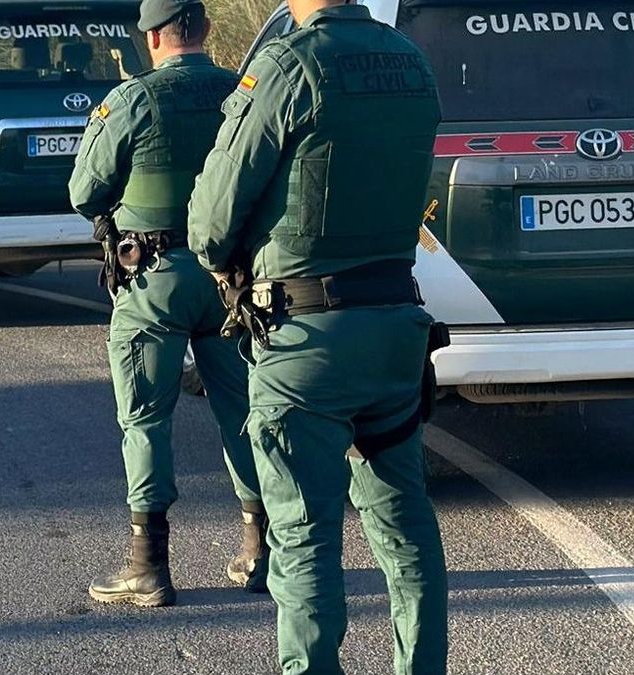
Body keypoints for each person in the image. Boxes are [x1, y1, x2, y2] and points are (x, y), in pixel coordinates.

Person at [187, 0, 449, 672]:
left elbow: (211, 220)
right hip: (396, 326)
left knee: (304, 539)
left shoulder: (288, 62)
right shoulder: (411, 61)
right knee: (406, 526)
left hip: (306, 340)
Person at [68, 0, 268, 608]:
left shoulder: (135, 101)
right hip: (227, 281)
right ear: (206, 30)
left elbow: (84, 191)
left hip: (151, 282)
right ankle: (261, 550)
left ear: (152, 38)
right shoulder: (244, 92)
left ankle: (147, 564)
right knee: (243, 409)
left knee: (144, 418)